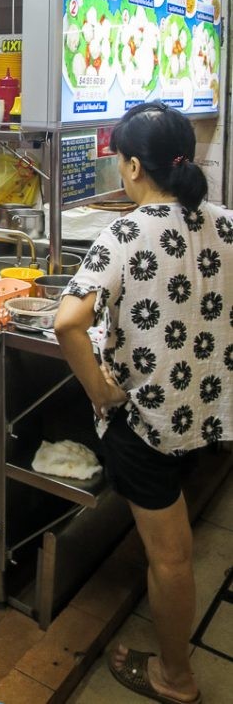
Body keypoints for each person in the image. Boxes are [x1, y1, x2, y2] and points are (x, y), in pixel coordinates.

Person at [54, 102, 231, 704]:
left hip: (148, 421)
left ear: (132, 166)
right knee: (174, 541)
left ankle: (175, 678)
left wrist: (101, 390)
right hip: (206, 410)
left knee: (171, 557)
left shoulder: (127, 233)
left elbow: (67, 322)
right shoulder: (226, 223)